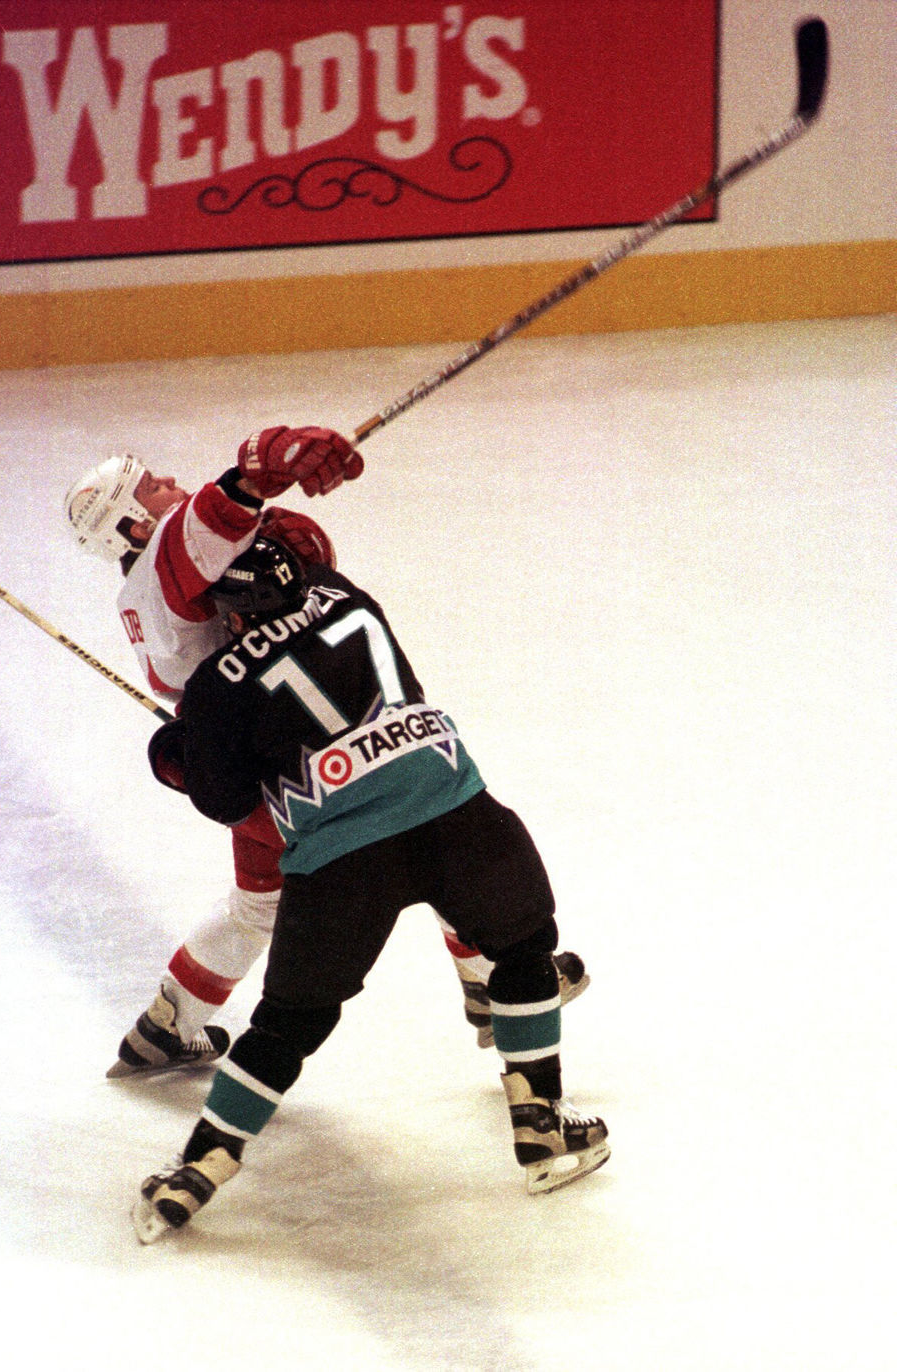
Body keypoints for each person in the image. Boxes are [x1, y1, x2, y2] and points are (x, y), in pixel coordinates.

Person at [64, 431, 590, 1077]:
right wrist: (256, 472)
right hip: (294, 757)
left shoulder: (144, 591)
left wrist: (265, 511)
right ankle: (488, 986)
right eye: (150, 486)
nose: (169, 482)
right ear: (131, 520)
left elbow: (271, 559)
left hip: (244, 754)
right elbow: (205, 524)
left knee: (259, 903)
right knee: (428, 834)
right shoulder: (165, 557)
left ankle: (166, 1022)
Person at [132, 537, 609, 1242]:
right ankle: (541, 1124)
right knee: (526, 947)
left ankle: (201, 1165)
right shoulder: (353, 599)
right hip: (451, 808)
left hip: (341, 859)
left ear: (232, 616)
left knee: (287, 1026)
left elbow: (226, 799)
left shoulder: (211, 690)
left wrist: (185, 749)